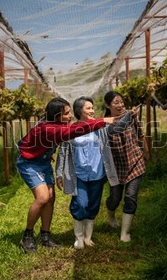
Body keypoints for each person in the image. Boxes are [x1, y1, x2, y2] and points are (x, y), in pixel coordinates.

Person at [16, 97, 118, 253]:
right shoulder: (47, 128)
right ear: (57, 115)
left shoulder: (57, 124)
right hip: (29, 163)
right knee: (43, 197)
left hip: (43, 162)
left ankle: (45, 236)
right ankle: (27, 236)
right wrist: (103, 120)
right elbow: (74, 131)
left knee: (50, 198)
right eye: (66, 113)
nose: (70, 116)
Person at [55, 96, 139, 249]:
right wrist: (59, 173)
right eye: (88, 108)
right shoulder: (71, 129)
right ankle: (78, 238)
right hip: (78, 174)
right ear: (79, 111)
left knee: (93, 205)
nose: (92, 110)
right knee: (80, 204)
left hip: (97, 174)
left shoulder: (100, 127)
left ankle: (88, 237)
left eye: (93, 107)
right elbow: (63, 152)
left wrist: (129, 115)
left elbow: (118, 128)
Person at [103, 91, 150, 242]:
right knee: (115, 198)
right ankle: (111, 214)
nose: (120, 105)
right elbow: (117, 129)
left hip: (134, 161)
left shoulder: (131, 116)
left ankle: (125, 233)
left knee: (130, 197)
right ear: (107, 105)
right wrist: (128, 116)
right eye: (116, 103)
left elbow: (140, 134)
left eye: (121, 102)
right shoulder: (104, 122)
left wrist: (146, 150)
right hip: (116, 166)